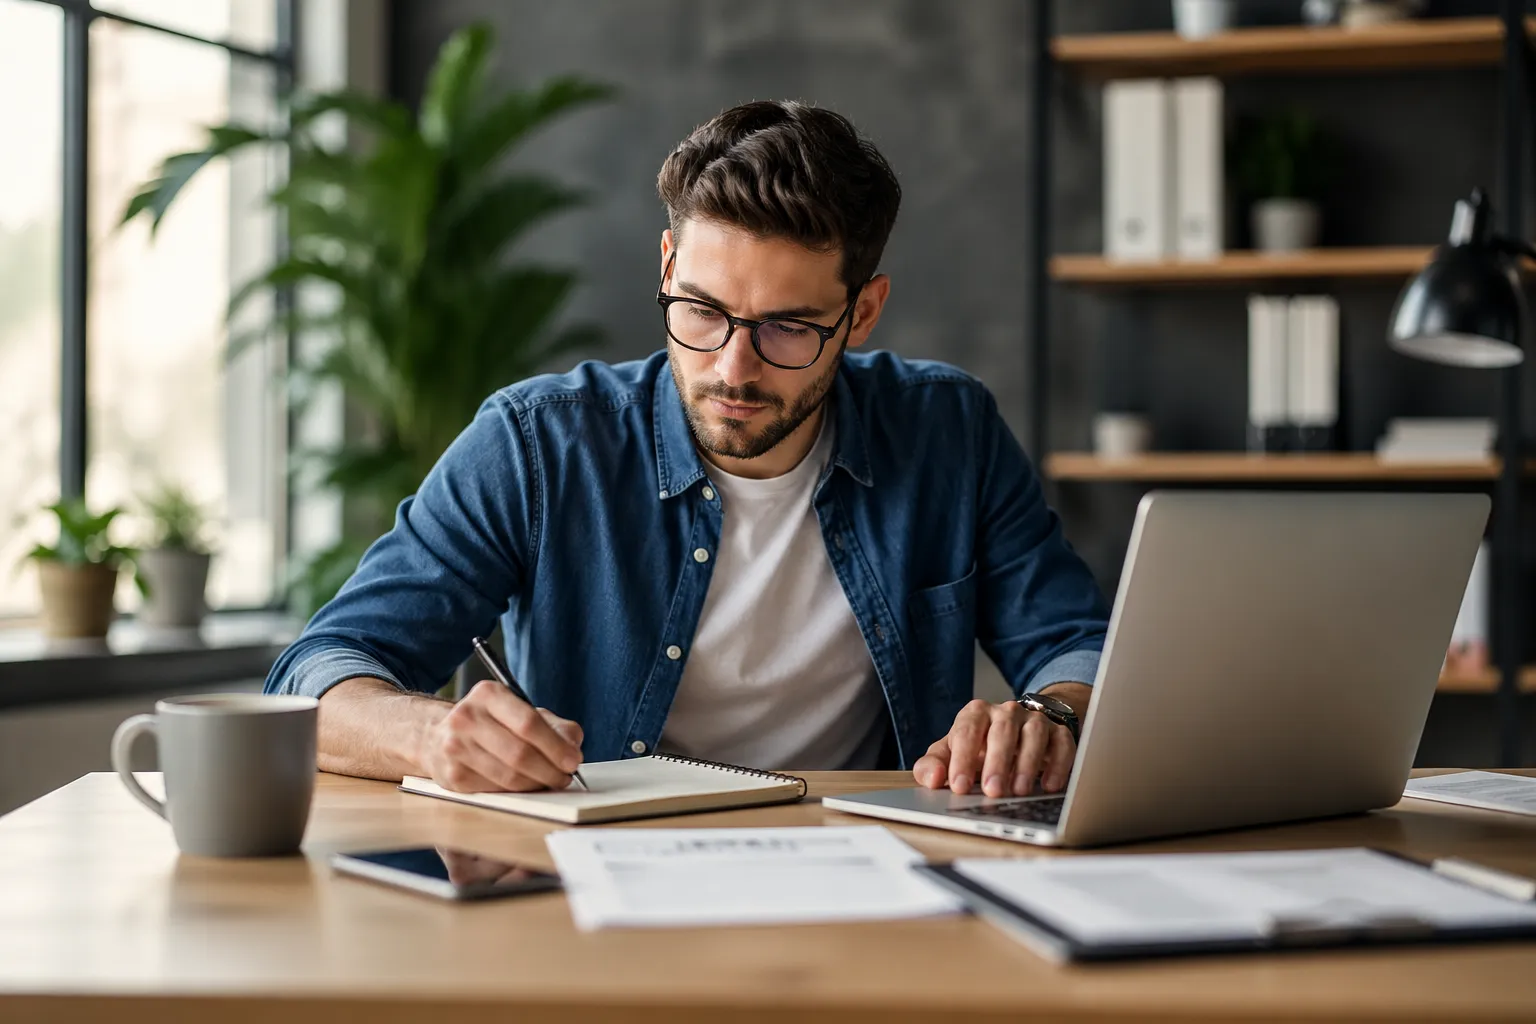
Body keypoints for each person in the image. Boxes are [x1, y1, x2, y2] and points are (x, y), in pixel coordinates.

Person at [265, 100, 1109, 801]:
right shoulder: (537, 443)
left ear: (861, 312)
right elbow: (315, 675)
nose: (732, 368)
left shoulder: (948, 430)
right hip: (597, 872)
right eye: (702, 311)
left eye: (787, 327)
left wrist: (1052, 716)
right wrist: (436, 736)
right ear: (668, 266)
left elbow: (1080, 646)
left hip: (866, 863)